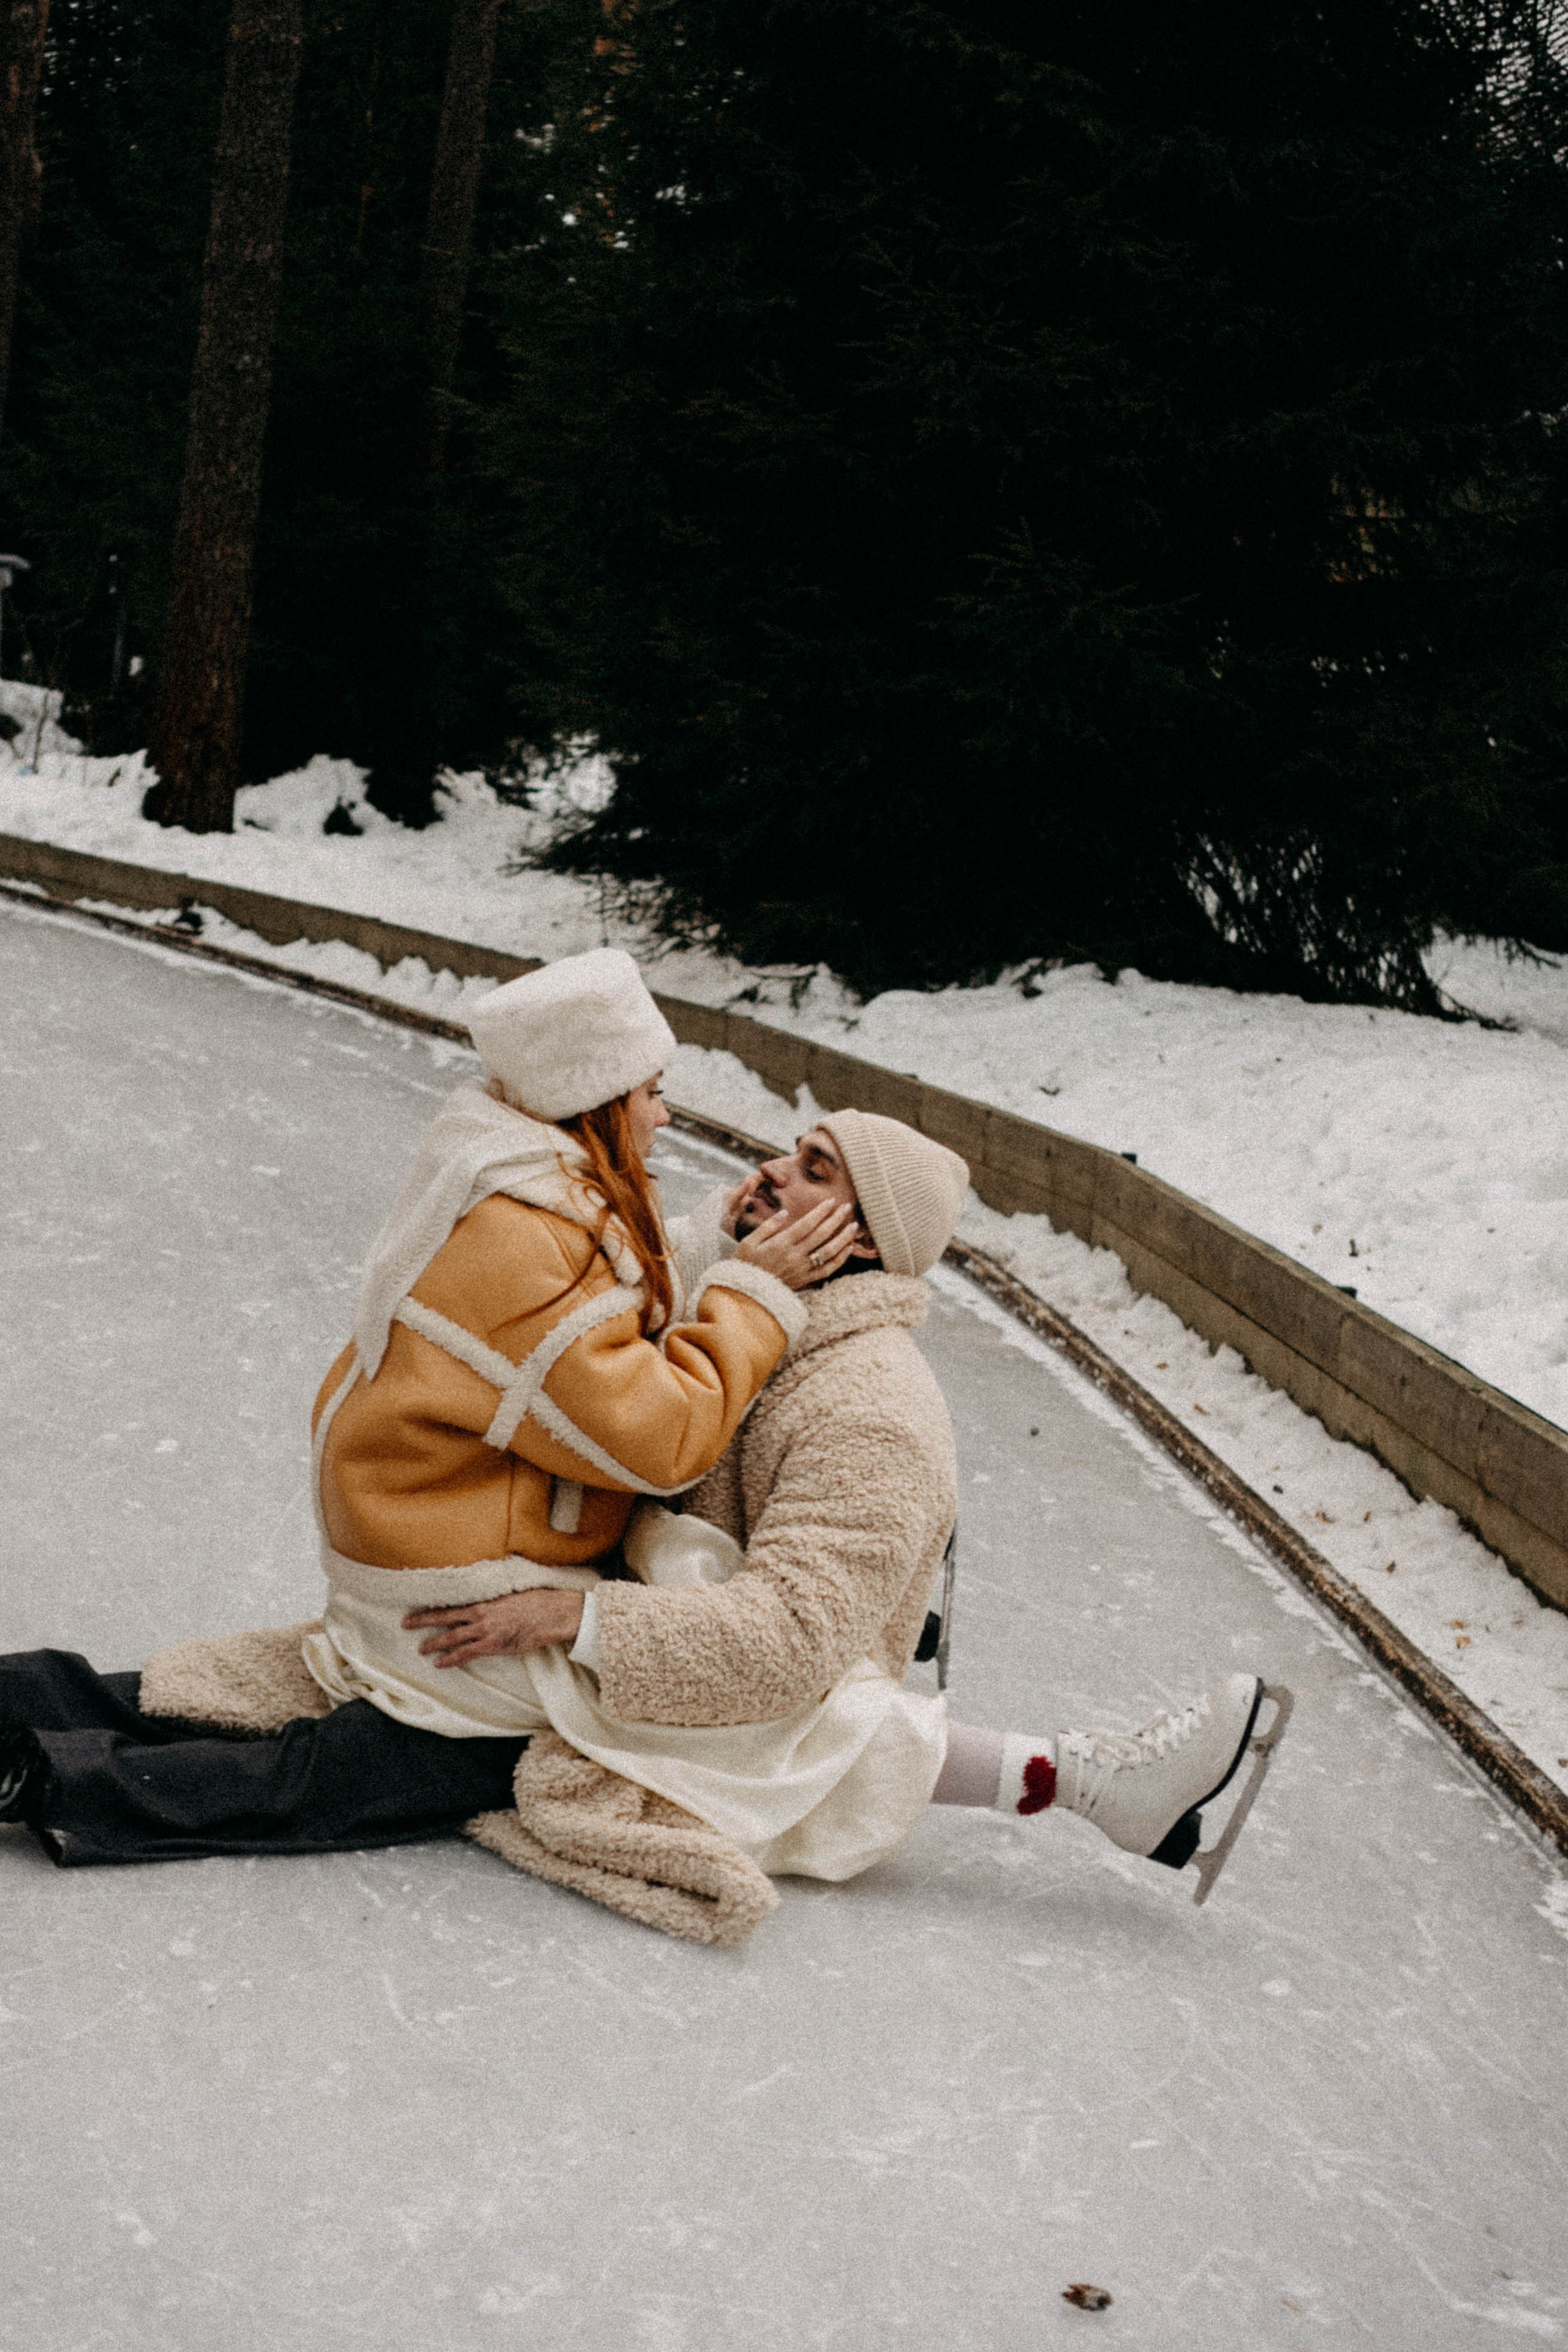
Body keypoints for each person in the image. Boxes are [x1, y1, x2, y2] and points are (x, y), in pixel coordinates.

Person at [7, 1099, 1280, 1947]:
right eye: (789, 1149)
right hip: (574, 1627)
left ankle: (42, 1778)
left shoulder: (873, 1408)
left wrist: (574, 1614)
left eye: (814, 1175)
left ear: (862, 1239)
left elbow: (788, 1638)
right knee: (276, 1672)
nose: (771, 1169)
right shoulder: (739, 1295)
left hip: (662, 1677)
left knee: (353, 1763)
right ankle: (26, 1701)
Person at [0, 948, 860, 1862]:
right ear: (600, 1097)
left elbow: (594, 1312)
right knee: (425, 1766)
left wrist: (705, 1245)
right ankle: (55, 1782)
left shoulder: (513, 1172)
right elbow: (662, 1438)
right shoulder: (533, 1236)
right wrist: (752, 1295)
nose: (666, 1111)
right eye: (652, 1088)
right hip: (457, 1589)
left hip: (419, 1533)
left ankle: (23, 1704)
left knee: (274, 1706)